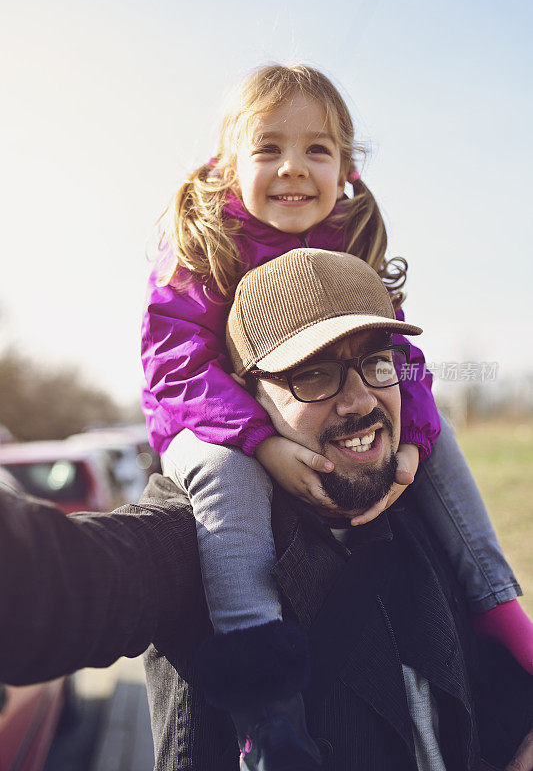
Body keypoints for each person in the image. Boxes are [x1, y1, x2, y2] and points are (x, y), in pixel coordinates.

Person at [1, 249, 532, 771]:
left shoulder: (416, 502)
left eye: (375, 363)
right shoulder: (208, 533)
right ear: (246, 395)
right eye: (315, 374)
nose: (360, 400)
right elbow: (71, 574)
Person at [141, 63, 533, 746]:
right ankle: (264, 696)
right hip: (209, 419)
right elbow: (174, 364)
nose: (293, 167)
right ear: (228, 165)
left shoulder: (350, 242)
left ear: (346, 168)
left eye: (316, 150)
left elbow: (398, 360)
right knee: (221, 479)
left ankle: (496, 607)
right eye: (268, 149)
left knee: (438, 442)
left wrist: (411, 437)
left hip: (321, 415)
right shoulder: (205, 246)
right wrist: (262, 441)